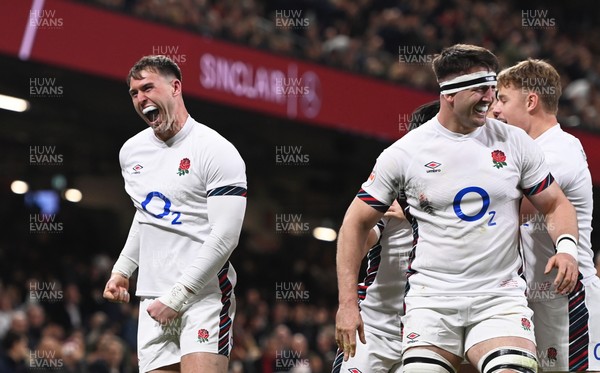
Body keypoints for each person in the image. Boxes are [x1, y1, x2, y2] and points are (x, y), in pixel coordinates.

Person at [335, 44, 580, 373]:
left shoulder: (516, 143)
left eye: (492, 89)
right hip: (432, 303)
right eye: (480, 89)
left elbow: (554, 203)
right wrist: (348, 304)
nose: (490, 99)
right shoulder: (405, 153)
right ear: (449, 93)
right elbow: (354, 223)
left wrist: (566, 248)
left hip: (499, 300)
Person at [102, 55, 247, 373]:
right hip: (153, 299)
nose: (141, 98)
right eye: (134, 93)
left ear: (175, 87)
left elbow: (226, 236)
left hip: (204, 297)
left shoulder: (216, 151)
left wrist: (178, 296)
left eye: (148, 87)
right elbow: (146, 215)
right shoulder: (132, 152)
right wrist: (123, 269)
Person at [492, 58, 600, 373]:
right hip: (535, 298)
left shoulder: (557, 151)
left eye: (502, 99)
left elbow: (511, 209)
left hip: (569, 300)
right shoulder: (530, 150)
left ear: (530, 101)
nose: (496, 109)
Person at [332, 101, 438, 373]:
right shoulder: (390, 191)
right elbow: (357, 238)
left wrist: (415, 217)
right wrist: (347, 304)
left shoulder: (463, 197)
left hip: (429, 335)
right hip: (374, 329)